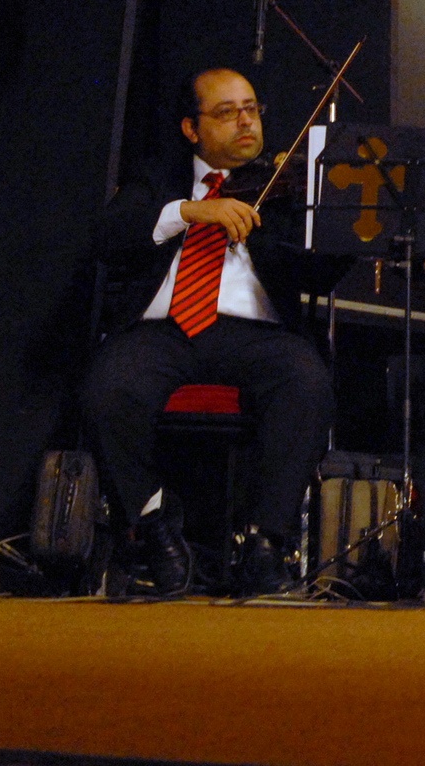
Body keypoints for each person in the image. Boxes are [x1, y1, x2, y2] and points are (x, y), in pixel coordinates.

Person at [84, 68, 349, 597]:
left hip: (258, 333)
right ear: (192, 128)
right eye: (227, 112)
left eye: (251, 108)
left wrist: (330, 223)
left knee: (306, 383)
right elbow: (108, 236)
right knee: (106, 388)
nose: (245, 122)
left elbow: (321, 273)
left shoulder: (286, 185)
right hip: (164, 331)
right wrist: (191, 211)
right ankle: (155, 525)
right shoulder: (158, 179)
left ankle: (265, 544)